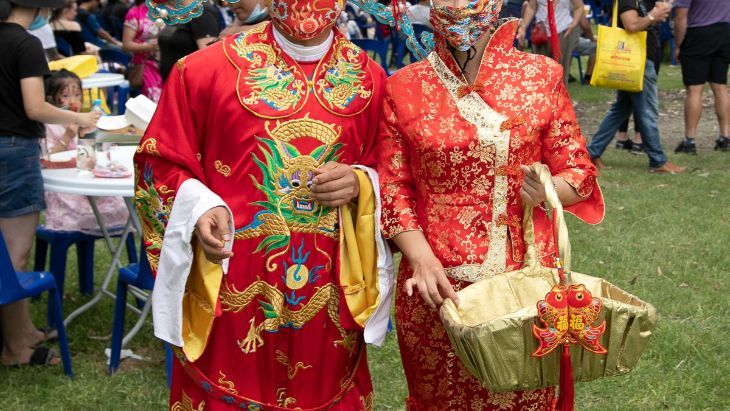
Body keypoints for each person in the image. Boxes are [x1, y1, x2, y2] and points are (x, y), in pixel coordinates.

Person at [134, 0, 391, 408]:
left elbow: (395, 173)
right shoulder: (203, 71)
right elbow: (159, 162)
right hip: (231, 279)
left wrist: (362, 182)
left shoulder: (371, 81)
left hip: (330, 287)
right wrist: (198, 205)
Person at [377, 0, 604, 408]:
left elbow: (580, 172)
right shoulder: (404, 86)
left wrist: (548, 188)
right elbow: (395, 189)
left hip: (523, 284)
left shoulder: (540, 76)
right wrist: (421, 258)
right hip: (436, 288)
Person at [0, 0, 99, 367]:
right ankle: (16, 349)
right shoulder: (24, 43)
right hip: (14, 150)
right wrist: (79, 115)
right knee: (15, 253)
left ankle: (22, 332)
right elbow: (35, 107)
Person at [587, 0, 686, 173]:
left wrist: (655, 15)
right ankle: (657, 160)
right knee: (648, 110)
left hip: (639, 61)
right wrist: (652, 16)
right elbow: (631, 25)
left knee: (621, 110)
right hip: (636, 62)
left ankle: (592, 153)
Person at [42, 70, 129, 233]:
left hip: (85, 181)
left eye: (77, 95)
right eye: (66, 96)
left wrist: (89, 136)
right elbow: (46, 159)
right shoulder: (48, 126)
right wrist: (67, 137)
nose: (74, 101)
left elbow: (91, 157)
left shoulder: (82, 121)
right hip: (65, 189)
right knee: (82, 212)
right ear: (50, 100)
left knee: (119, 205)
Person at [673, 0, 730, 153]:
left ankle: (689, 141)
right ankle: (725, 137)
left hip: (698, 32)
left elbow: (680, 15)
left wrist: (678, 45)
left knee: (694, 89)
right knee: (720, 86)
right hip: (724, 31)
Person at [518, 0, 585, 84]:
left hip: (562, 29)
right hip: (541, 31)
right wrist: (523, 28)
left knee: (560, 71)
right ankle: (542, 94)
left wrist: (573, 24)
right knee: (540, 70)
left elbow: (579, 7)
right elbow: (531, 7)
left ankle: (559, 95)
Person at [158, 0, 220, 82]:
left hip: (188, 85)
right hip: (171, 84)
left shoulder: (202, 12)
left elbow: (209, 59)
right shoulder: (179, 12)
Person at [122, 0, 162, 101]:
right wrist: (151, 47)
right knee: (154, 103)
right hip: (145, 65)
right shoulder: (135, 13)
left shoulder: (168, 11)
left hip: (166, 64)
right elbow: (126, 45)